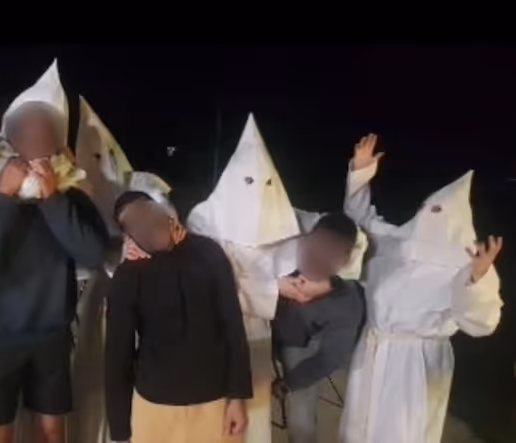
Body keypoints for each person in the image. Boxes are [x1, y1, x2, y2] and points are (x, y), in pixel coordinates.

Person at [186, 114, 369, 443]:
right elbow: (206, 285)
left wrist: (359, 178)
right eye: (247, 183)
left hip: (259, 335)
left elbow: (349, 236)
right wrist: (273, 289)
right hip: (211, 331)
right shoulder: (205, 222)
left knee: (253, 417)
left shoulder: (285, 219)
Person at [0, 60, 109, 443]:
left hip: (52, 336)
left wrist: (52, 199)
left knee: (52, 431)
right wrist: (5, 197)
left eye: (45, 145)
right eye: (26, 146)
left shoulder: (70, 199)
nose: (35, 156)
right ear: (10, 145)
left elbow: (92, 253)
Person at [338, 134, 504, 443]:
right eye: (430, 210)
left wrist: (477, 281)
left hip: (416, 363)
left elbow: (483, 323)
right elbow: (359, 222)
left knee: (402, 431)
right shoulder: (397, 242)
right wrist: (360, 174)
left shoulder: (465, 263)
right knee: (360, 426)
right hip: (373, 349)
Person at [68, 96, 176, 443]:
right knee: (89, 377)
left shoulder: (140, 190)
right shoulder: (70, 193)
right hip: (88, 301)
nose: (98, 169)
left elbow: (164, 230)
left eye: (104, 158)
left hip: (137, 302)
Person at [105, 191, 253, 443]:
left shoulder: (208, 252)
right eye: (134, 223)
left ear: (161, 210)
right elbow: (118, 355)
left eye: (146, 212)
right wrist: (120, 431)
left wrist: (237, 397)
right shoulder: (127, 275)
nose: (145, 224)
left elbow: (233, 326)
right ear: (129, 236)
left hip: (214, 401)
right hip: (155, 406)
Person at [271, 213, 365, 443]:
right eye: (311, 252)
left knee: (301, 419)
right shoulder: (282, 259)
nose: (314, 264)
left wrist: (291, 382)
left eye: (326, 258)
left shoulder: (347, 302)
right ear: (305, 240)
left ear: (345, 260)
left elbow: (331, 357)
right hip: (266, 333)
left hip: (305, 348)